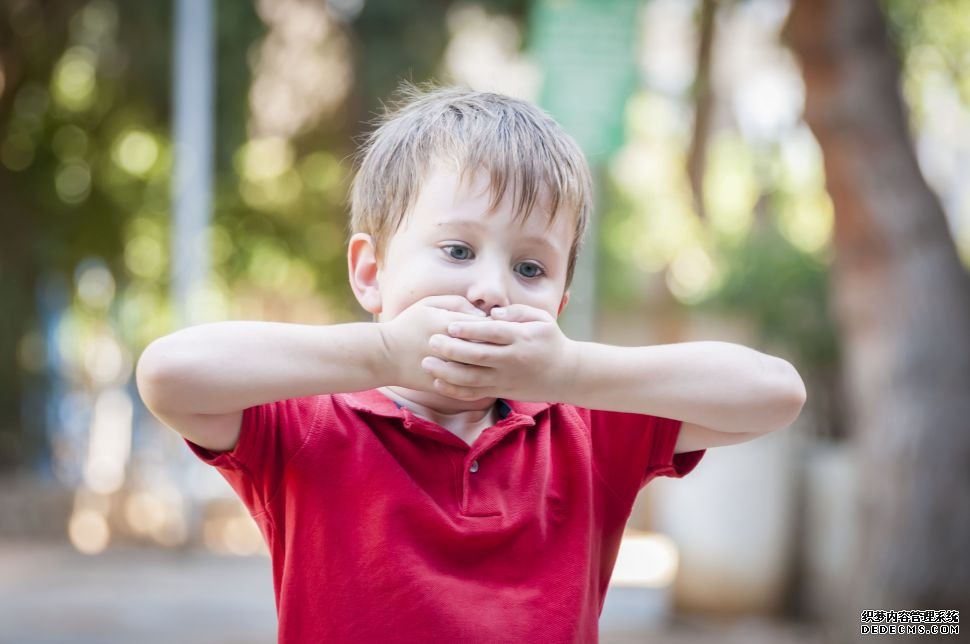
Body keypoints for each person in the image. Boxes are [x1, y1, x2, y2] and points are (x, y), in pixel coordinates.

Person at [136, 84, 806, 643]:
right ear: (371, 273)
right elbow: (168, 374)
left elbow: (776, 394)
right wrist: (383, 352)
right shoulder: (312, 425)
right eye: (457, 251)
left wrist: (570, 371)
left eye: (530, 267)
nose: (492, 288)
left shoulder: (588, 429)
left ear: (560, 302)